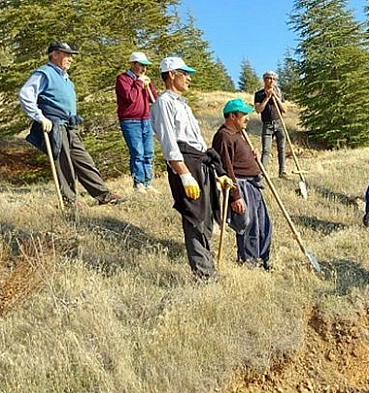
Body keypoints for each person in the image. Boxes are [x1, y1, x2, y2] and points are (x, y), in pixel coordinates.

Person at [151, 56, 232, 281]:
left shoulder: (182, 104)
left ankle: (209, 268)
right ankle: (204, 275)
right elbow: (169, 142)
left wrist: (218, 174)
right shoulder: (163, 103)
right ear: (170, 75)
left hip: (200, 162)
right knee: (194, 218)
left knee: (205, 218)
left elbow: (197, 140)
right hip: (185, 163)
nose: (188, 78)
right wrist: (184, 174)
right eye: (184, 73)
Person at [19, 41, 126, 208]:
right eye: (66, 54)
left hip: (69, 126)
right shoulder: (44, 73)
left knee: (84, 160)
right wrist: (40, 117)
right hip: (53, 126)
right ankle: (70, 201)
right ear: (54, 54)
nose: (70, 59)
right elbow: (26, 94)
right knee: (63, 163)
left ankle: (103, 195)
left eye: (71, 56)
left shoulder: (66, 79)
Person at [212, 98, 272, 270]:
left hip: (252, 184)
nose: (247, 118)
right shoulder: (223, 137)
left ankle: (263, 258)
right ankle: (249, 263)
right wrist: (235, 196)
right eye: (244, 114)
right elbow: (226, 168)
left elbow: (239, 158)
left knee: (263, 223)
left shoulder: (238, 134)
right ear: (232, 116)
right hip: (240, 185)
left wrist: (253, 156)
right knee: (249, 225)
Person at [115, 51, 160, 193]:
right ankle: (138, 183)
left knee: (148, 152)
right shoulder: (122, 79)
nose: (144, 69)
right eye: (141, 65)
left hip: (145, 120)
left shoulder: (144, 80)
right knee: (137, 152)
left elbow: (154, 99)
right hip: (130, 121)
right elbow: (131, 98)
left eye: (145, 66)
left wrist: (149, 85)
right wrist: (139, 83)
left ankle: (148, 182)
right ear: (133, 64)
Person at [254, 71, 288, 178]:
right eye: (269, 78)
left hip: (279, 123)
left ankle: (282, 172)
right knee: (266, 150)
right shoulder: (259, 94)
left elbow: (285, 110)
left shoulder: (279, 92)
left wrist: (276, 97)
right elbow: (258, 110)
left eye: (274, 79)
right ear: (264, 80)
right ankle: (263, 173)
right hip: (267, 125)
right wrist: (267, 98)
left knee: (282, 148)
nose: (272, 81)